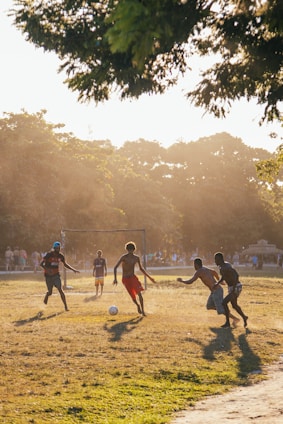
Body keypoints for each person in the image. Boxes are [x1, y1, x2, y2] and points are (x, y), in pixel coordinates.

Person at [177, 258, 240, 326]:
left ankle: (234, 318)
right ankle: (223, 309)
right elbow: (214, 272)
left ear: (196, 265)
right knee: (209, 306)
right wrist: (219, 281)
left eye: (194, 265)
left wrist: (182, 281)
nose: (194, 266)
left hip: (217, 291)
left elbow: (191, 281)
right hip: (214, 291)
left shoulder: (199, 271)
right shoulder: (205, 268)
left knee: (220, 310)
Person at [113, 241, 156, 316]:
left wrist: (150, 278)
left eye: (131, 250)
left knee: (139, 294)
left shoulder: (136, 258)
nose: (130, 251)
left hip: (133, 278)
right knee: (132, 296)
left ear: (134, 250)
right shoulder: (124, 257)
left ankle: (143, 311)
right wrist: (115, 279)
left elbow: (141, 269)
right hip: (125, 279)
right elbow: (115, 267)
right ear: (127, 249)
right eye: (129, 250)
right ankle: (137, 305)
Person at [40, 241, 80, 311]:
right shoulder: (49, 255)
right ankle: (47, 295)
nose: (58, 249)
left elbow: (65, 264)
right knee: (50, 292)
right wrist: (47, 269)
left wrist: (73, 270)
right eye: (57, 248)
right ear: (54, 248)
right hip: (48, 276)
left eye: (59, 248)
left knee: (60, 290)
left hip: (56, 275)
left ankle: (66, 307)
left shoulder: (60, 256)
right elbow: (41, 264)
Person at [214, 252, 248, 328]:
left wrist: (233, 289)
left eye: (216, 260)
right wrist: (218, 283)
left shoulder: (226, 267)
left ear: (220, 259)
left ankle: (227, 323)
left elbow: (236, 275)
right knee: (234, 305)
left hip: (236, 286)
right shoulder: (222, 267)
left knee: (224, 303)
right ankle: (244, 317)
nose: (215, 261)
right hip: (232, 287)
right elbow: (224, 276)